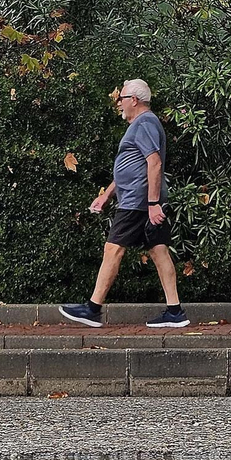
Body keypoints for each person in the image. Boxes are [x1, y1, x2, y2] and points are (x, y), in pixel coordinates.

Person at [60, 80, 189, 329]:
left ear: (134, 100)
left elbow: (154, 163)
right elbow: (132, 166)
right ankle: (175, 311)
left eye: (122, 97)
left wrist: (152, 204)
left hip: (138, 202)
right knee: (158, 250)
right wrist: (107, 194)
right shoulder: (143, 124)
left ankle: (93, 308)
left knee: (113, 249)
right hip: (141, 199)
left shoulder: (145, 123)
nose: (118, 102)